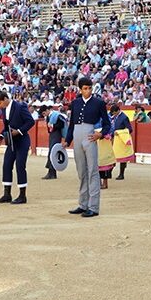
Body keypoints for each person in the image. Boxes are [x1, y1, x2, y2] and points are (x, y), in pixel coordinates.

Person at [65, 77, 112, 218]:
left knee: (92, 171)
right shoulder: (75, 103)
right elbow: (72, 123)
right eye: (85, 88)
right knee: (81, 171)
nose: (88, 91)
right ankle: (83, 204)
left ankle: (93, 207)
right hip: (77, 135)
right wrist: (67, 141)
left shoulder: (99, 103)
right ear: (80, 89)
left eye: (89, 88)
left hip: (90, 135)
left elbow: (107, 123)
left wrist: (101, 134)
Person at [0, 91, 35, 205]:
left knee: (20, 166)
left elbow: (31, 122)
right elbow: (6, 126)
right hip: (11, 142)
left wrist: (19, 131)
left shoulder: (20, 106)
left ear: (6, 98)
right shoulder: (4, 109)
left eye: (0, 103)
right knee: (6, 165)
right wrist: (1, 136)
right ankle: (7, 194)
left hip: (22, 141)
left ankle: (22, 196)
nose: (0, 106)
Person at [110, 104, 134, 180]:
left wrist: (120, 132)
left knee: (122, 157)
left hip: (121, 139)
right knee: (112, 156)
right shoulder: (115, 117)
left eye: (114, 113)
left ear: (117, 111)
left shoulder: (124, 117)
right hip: (114, 139)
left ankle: (121, 174)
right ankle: (109, 172)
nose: (113, 114)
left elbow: (130, 129)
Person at [43, 103, 67, 180]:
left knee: (52, 153)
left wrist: (53, 126)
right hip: (52, 135)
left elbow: (62, 124)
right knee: (52, 153)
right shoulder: (49, 116)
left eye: (44, 113)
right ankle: (51, 173)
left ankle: (52, 173)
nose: (44, 115)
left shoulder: (56, 115)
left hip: (57, 135)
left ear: (47, 110)